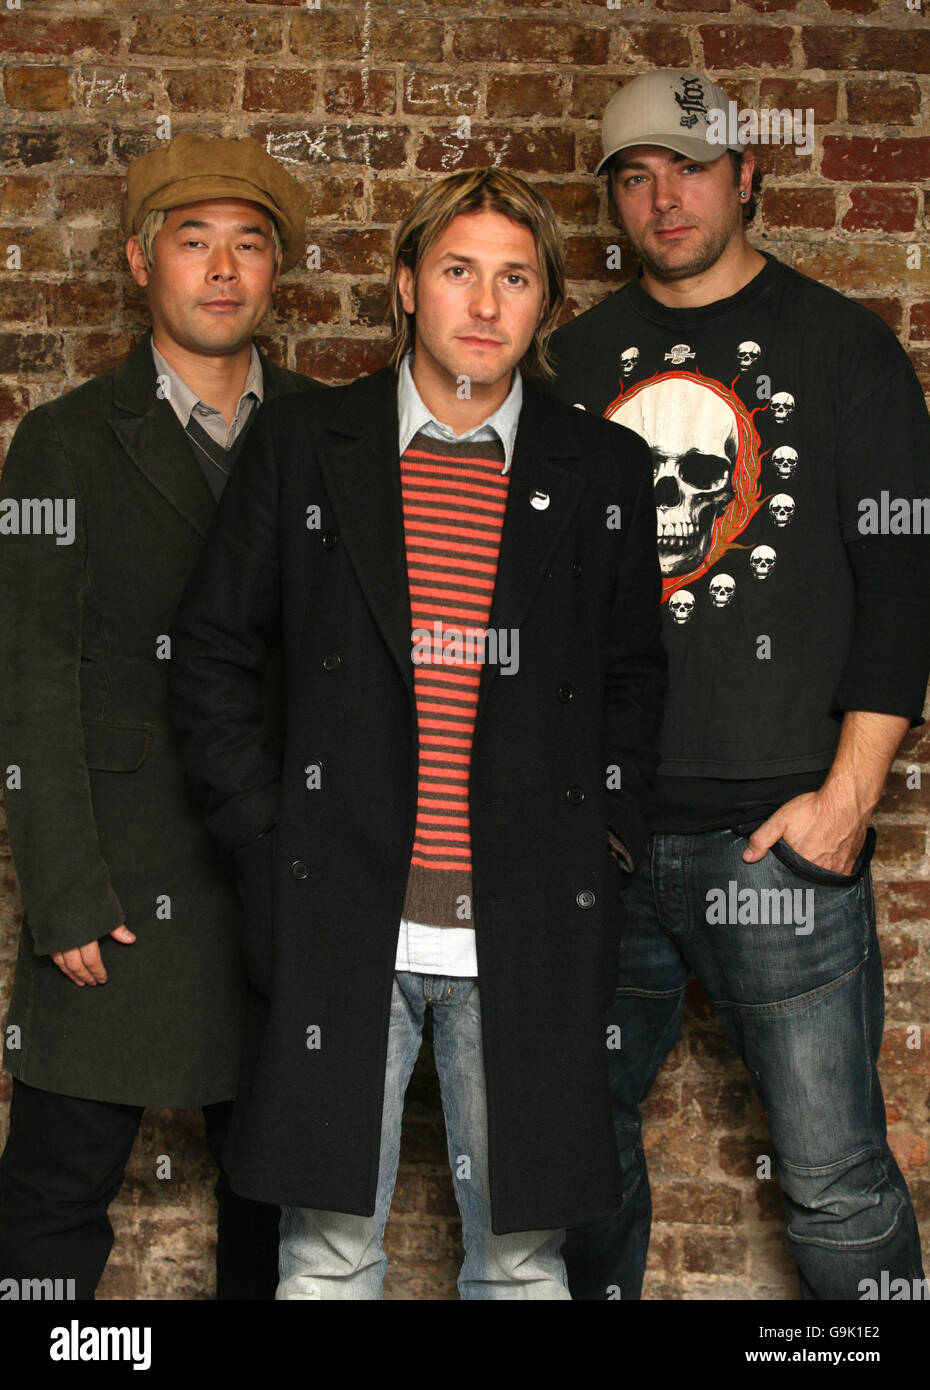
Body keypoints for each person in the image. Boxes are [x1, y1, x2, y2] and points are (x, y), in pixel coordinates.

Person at [168, 166, 667, 1300]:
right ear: (405, 286)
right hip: (343, 913)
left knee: (525, 1263)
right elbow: (211, 655)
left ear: (544, 307)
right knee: (329, 1256)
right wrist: (265, 837)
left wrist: (608, 840)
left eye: (515, 279)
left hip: (526, 918)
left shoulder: (603, 471)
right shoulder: (306, 447)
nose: (485, 305)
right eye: (457, 271)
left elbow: (635, 678)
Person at [548, 68, 930, 1301]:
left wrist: (845, 799)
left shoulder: (844, 347)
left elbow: (905, 588)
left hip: (778, 843)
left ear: (748, 174)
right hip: (601, 845)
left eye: (692, 167)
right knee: (572, 1157)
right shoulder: (574, 361)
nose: (665, 198)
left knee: (833, 1174)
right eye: (636, 176)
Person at [0, 132, 323, 1300]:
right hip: (122, 882)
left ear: (277, 271)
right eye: (194, 242)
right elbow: (30, 680)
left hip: (281, 868)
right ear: (140, 262)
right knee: (51, 1191)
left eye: (249, 244)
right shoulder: (65, 441)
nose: (223, 268)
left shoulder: (329, 435)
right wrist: (66, 891)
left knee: (274, 1197)